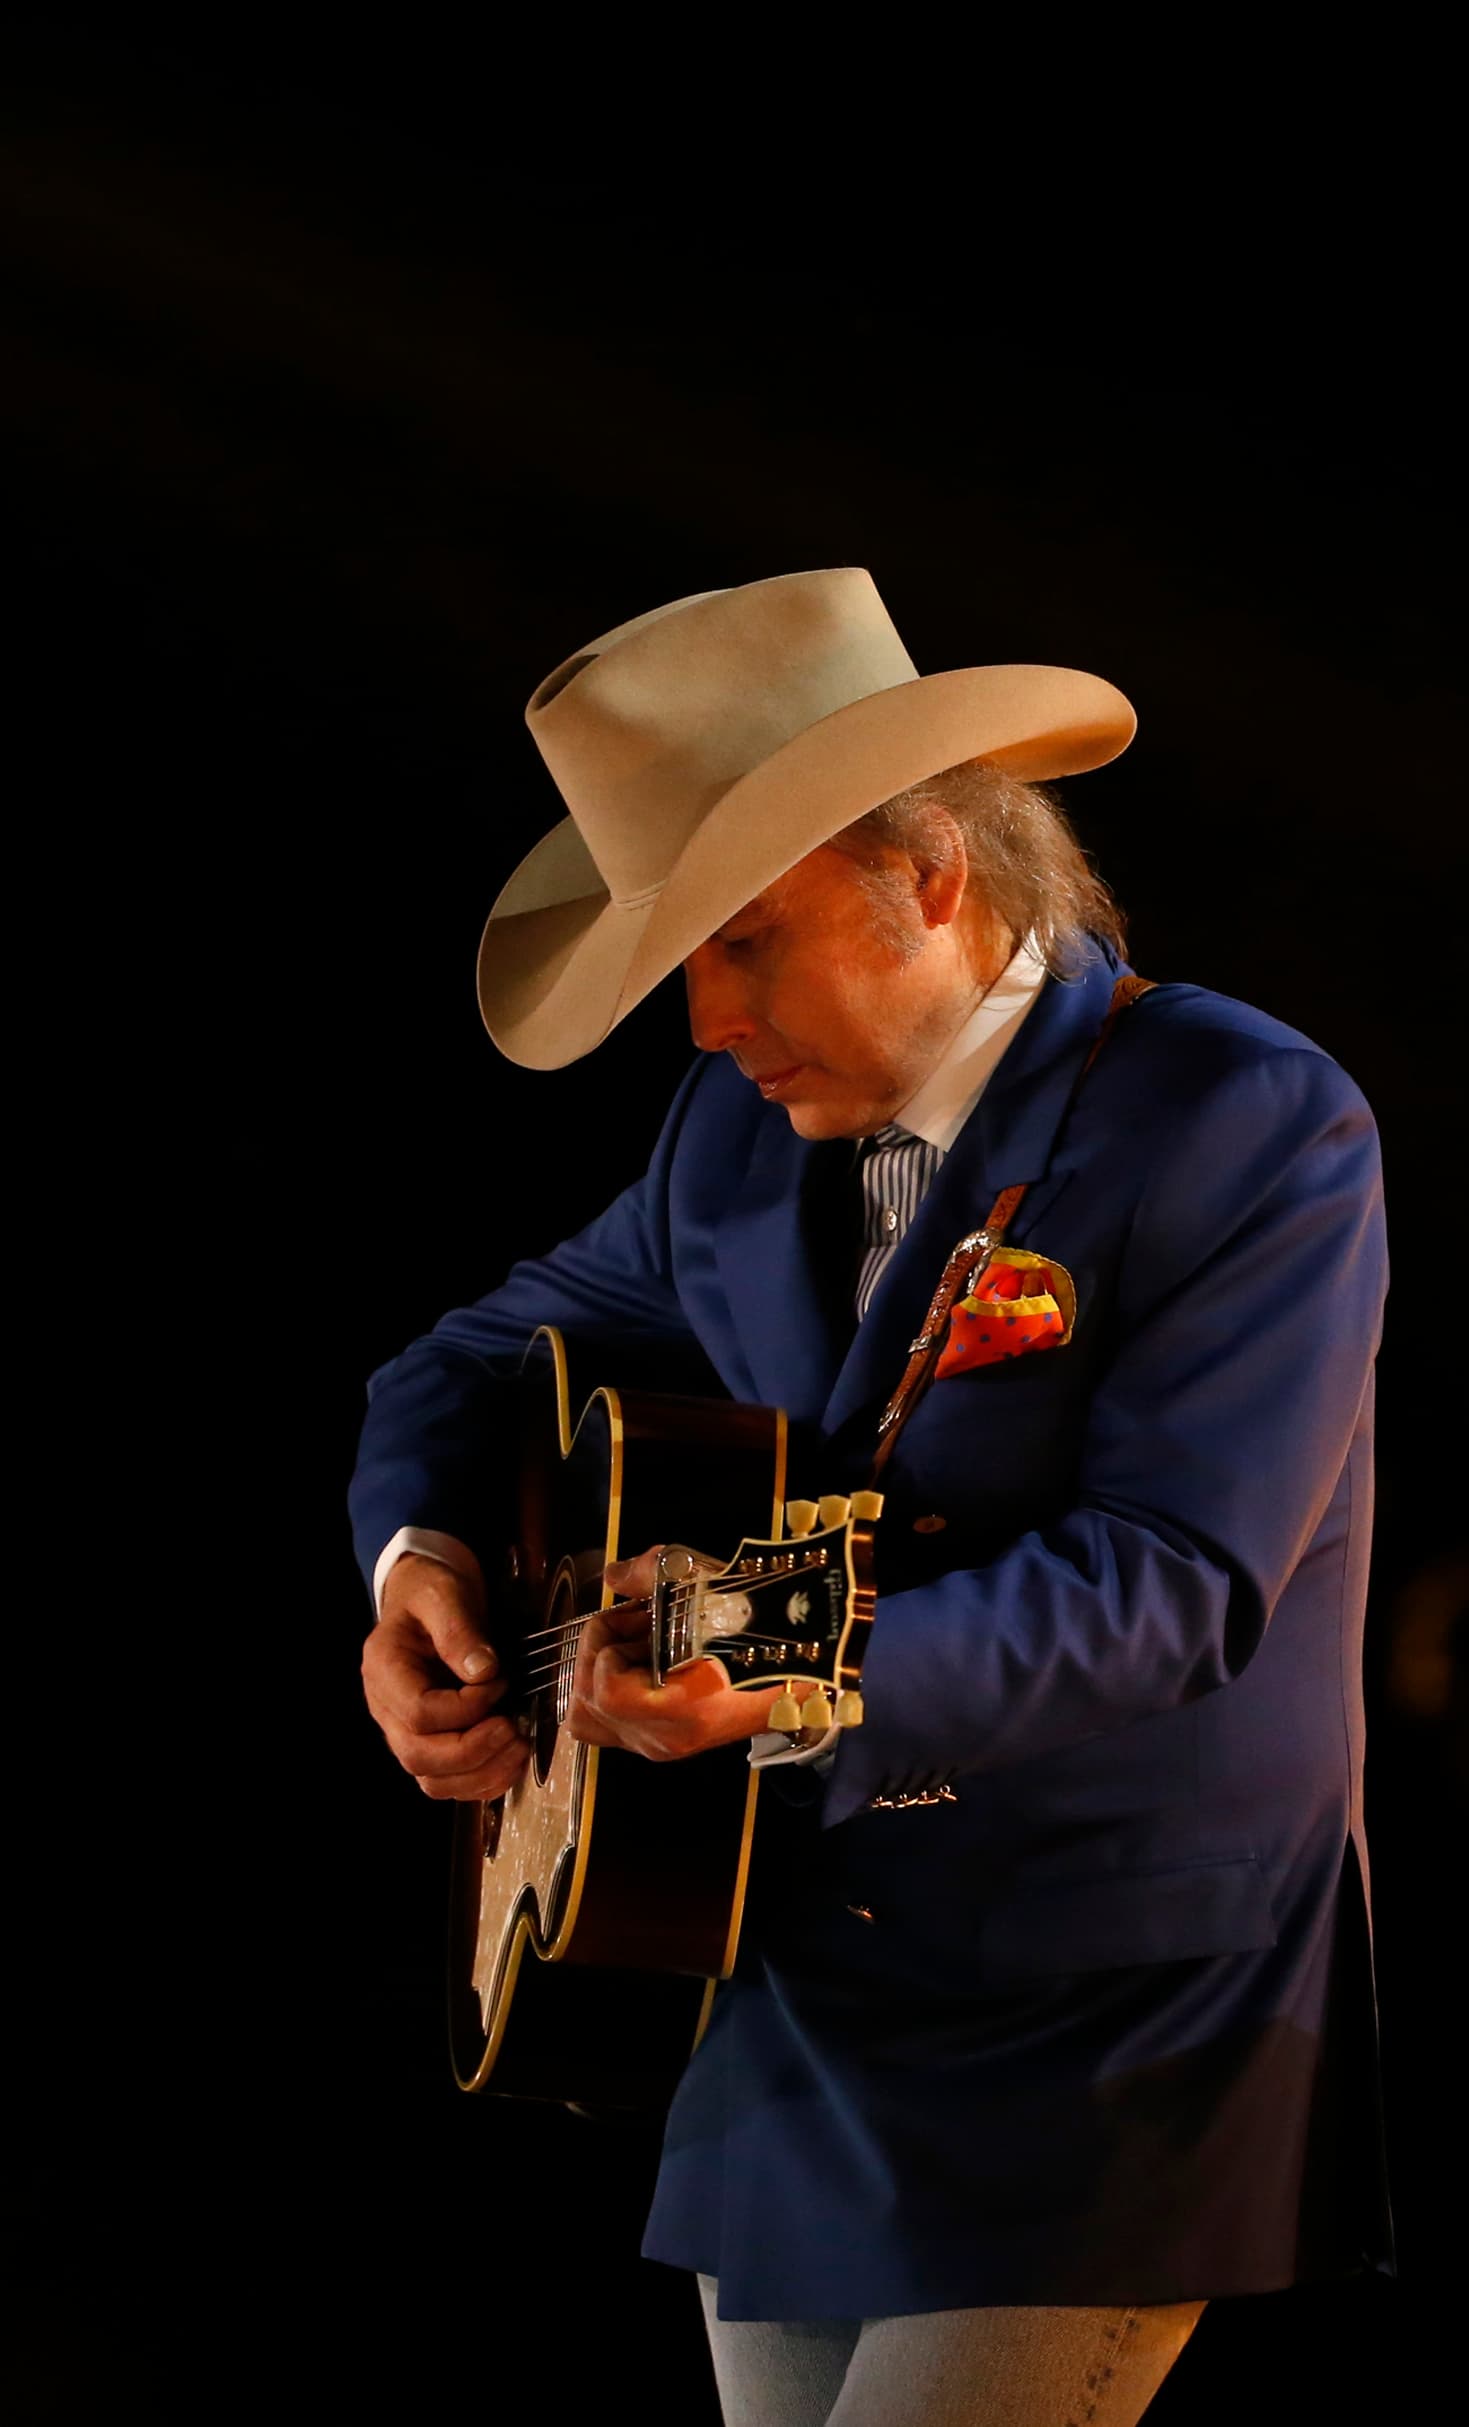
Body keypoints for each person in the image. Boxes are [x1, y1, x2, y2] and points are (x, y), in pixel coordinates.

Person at [350, 568, 1391, 2426]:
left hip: (1111, 2000)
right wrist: (418, 1563)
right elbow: (474, 1354)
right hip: (800, 1984)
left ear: (928, 873)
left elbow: (1172, 1583)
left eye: (743, 941)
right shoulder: (731, 1134)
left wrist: (772, 1672)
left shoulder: (1240, 1110)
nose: (702, 1021)